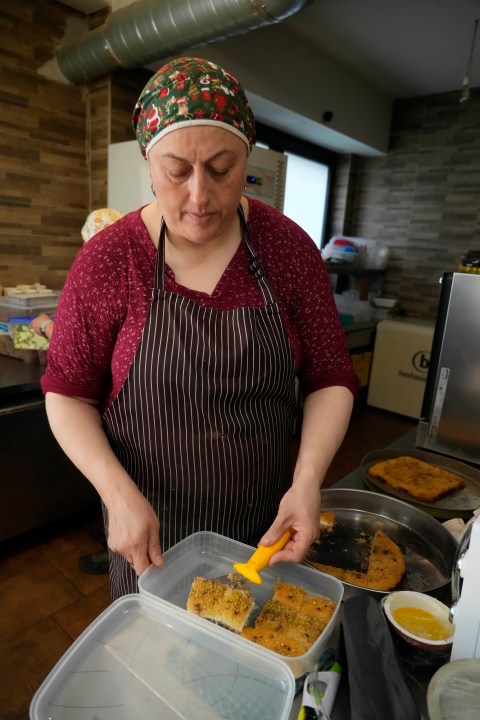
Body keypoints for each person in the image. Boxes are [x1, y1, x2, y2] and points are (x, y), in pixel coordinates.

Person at [41, 57, 359, 601]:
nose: (199, 198)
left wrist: (307, 482)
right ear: (147, 161)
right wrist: (116, 495)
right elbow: (67, 394)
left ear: (247, 157)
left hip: (265, 531)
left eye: (221, 168)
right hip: (150, 536)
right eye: (176, 170)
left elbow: (331, 376)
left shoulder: (287, 250)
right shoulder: (110, 260)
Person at [31, 208, 124, 574]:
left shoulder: (113, 272)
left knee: (116, 480)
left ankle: (112, 548)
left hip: (110, 404)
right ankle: (108, 532)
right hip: (102, 402)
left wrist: (45, 328)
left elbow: (86, 347)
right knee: (111, 481)